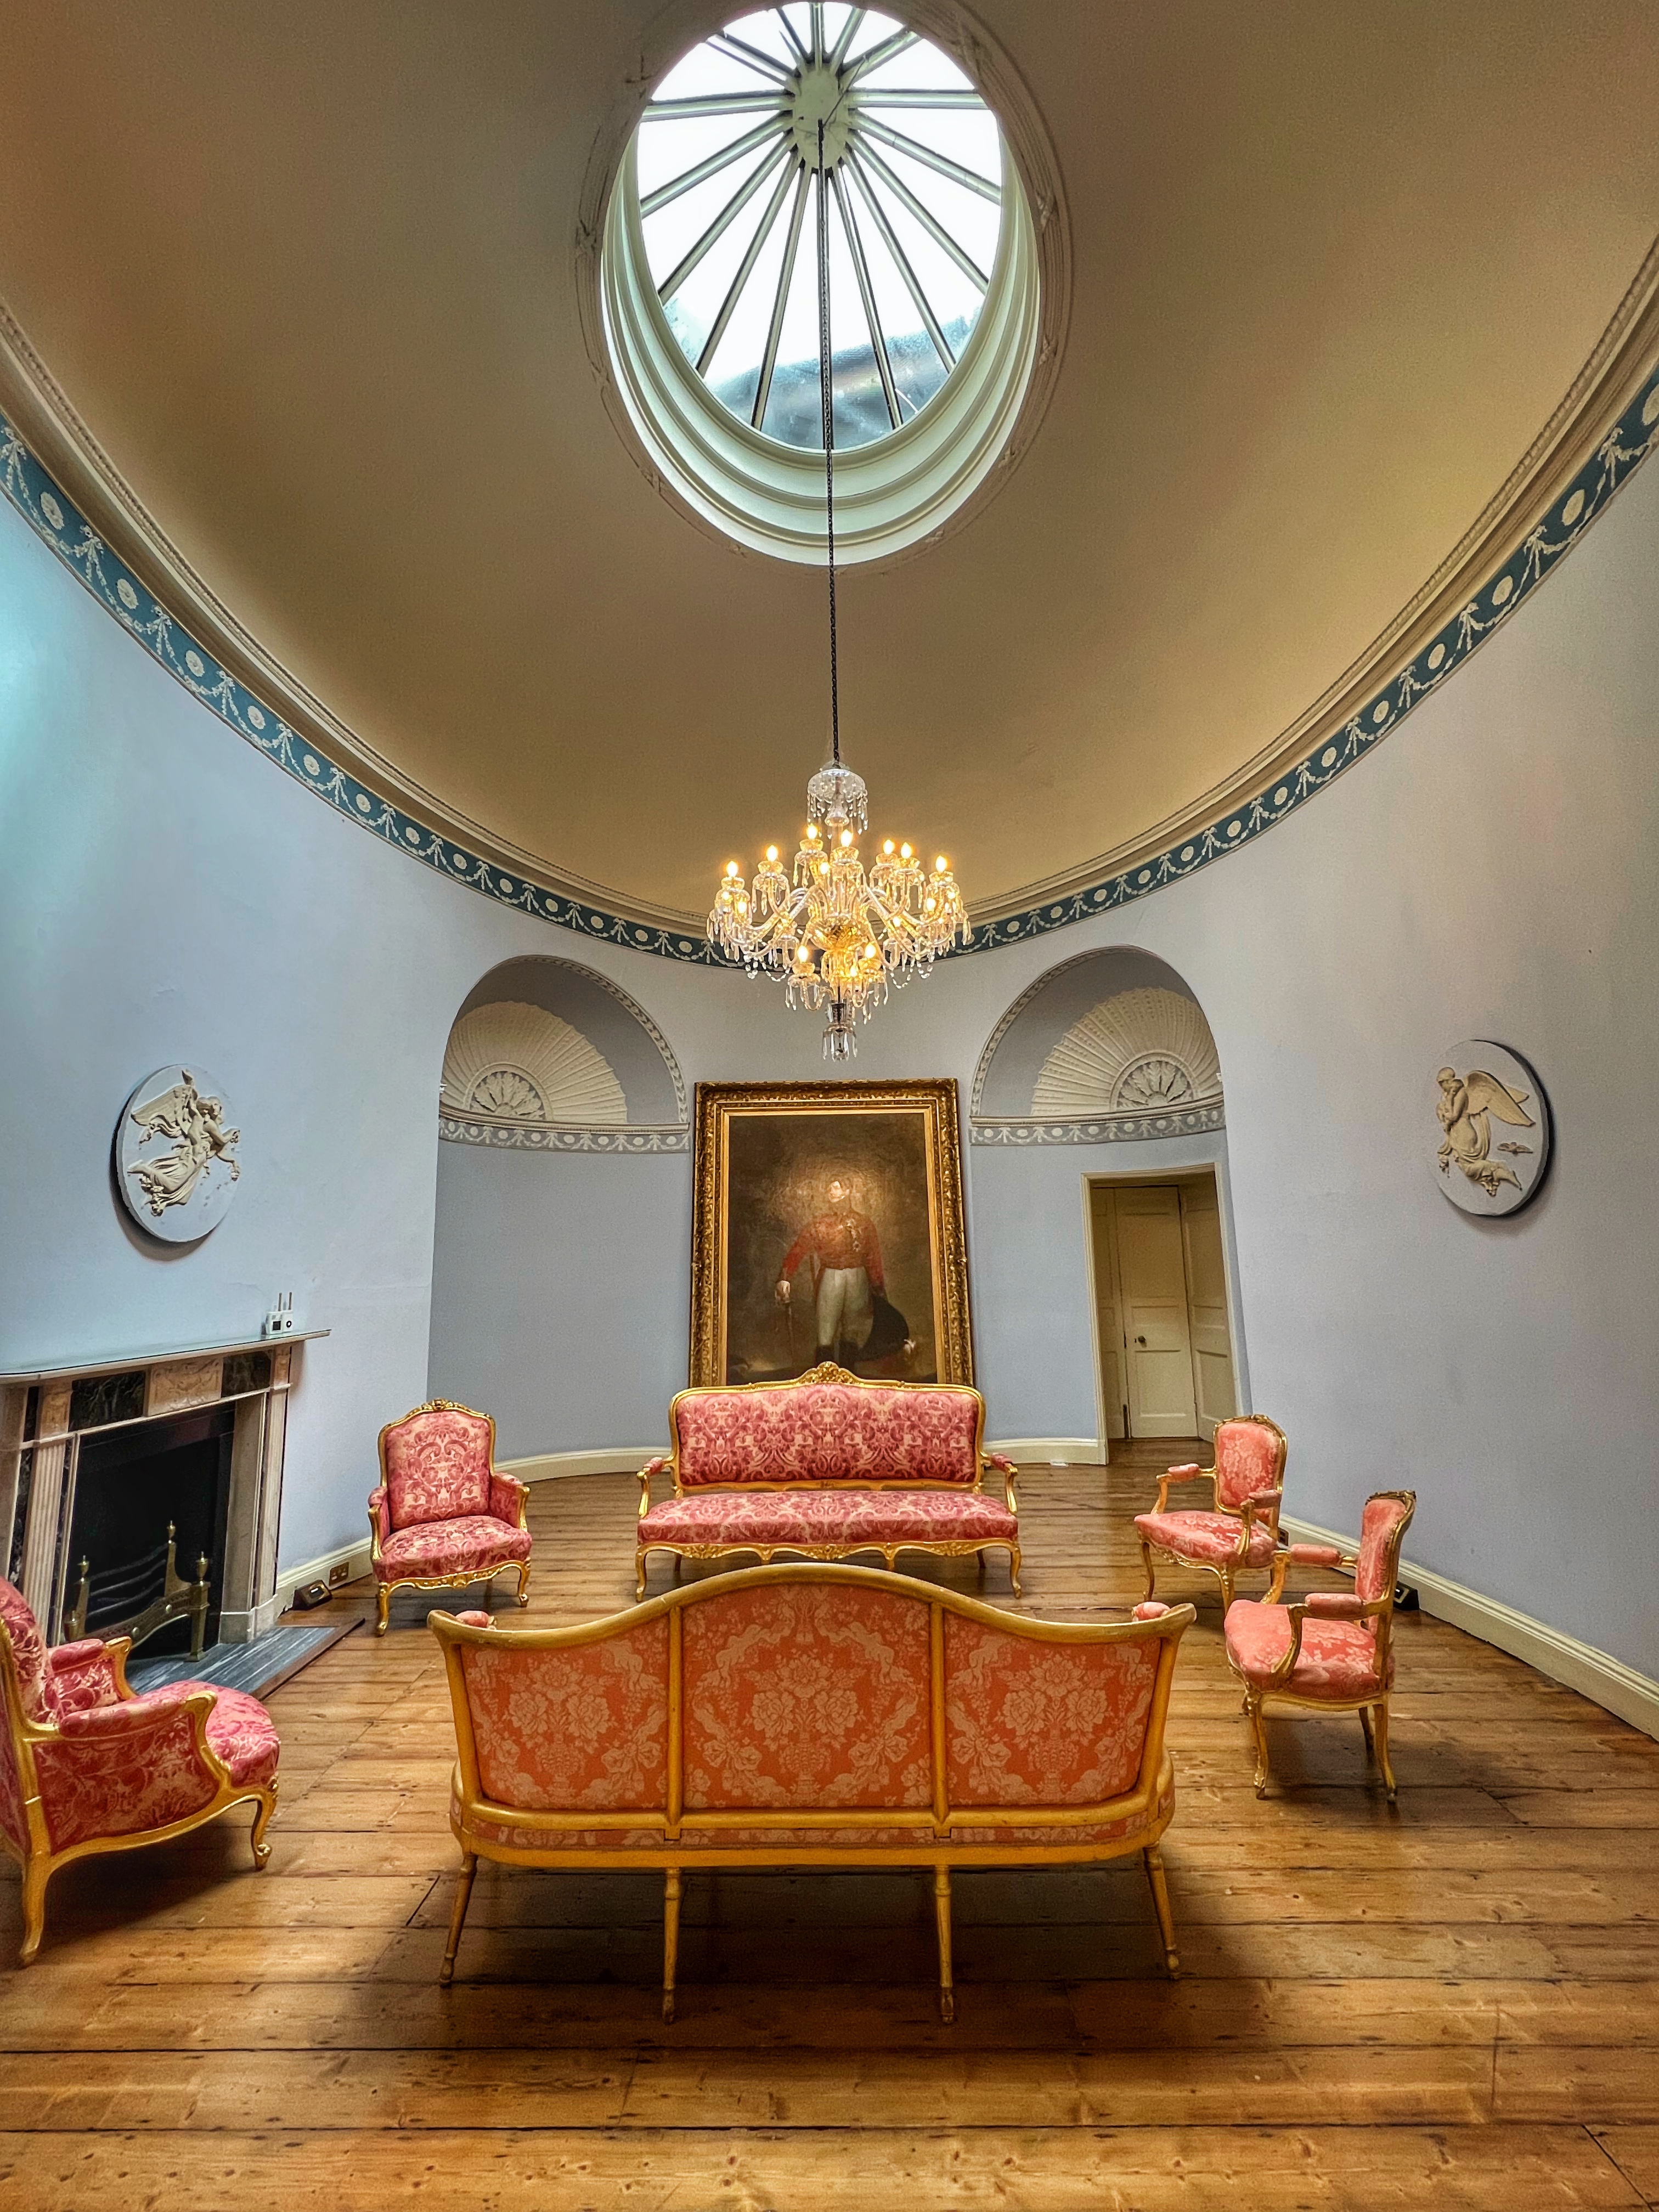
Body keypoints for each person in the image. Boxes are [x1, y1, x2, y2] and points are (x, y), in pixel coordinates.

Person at [775, 1174, 885, 1363]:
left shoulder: (864, 1223)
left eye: (836, 1187)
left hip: (858, 1279)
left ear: (847, 1191)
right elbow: (798, 1250)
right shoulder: (820, 1223)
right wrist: (785, 1277)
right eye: (829, 1188)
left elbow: (873, 1257)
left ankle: (849, 1376)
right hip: (831, 1278)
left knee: (852, 1333)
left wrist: (878, 1286)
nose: (831, 1192)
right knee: (825, 1333)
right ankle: (824, 1376)